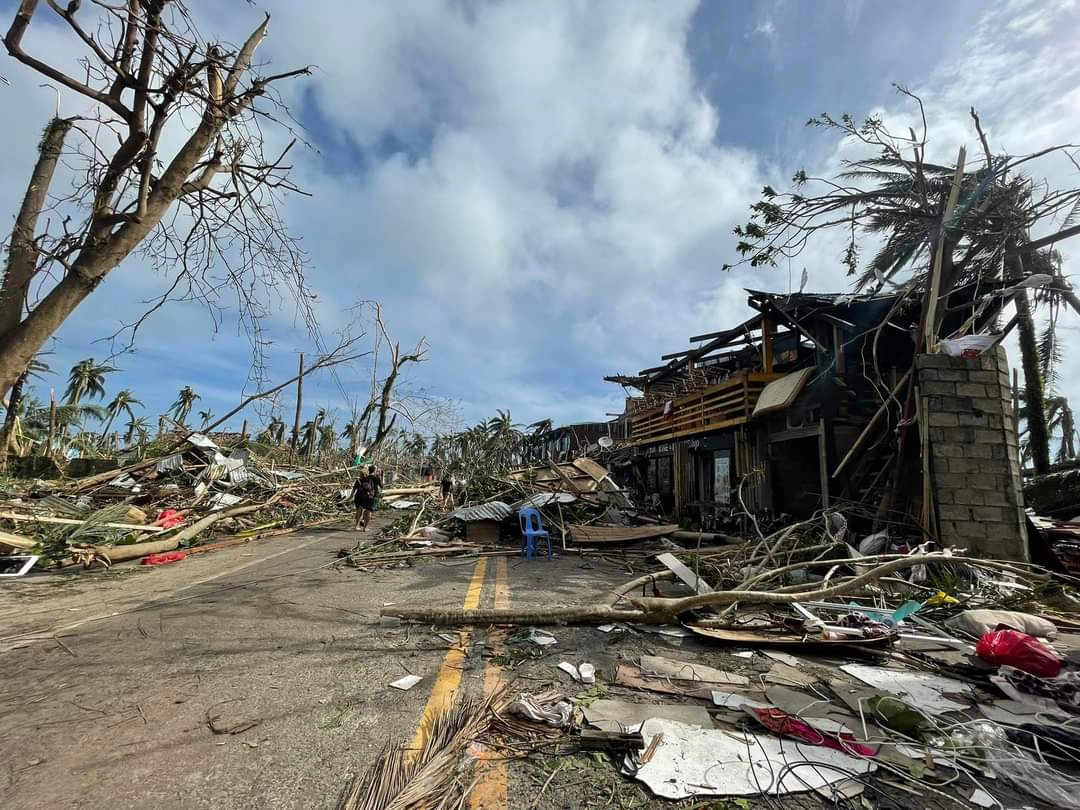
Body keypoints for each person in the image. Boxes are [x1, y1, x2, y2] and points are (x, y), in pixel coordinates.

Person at [351, 464, 382, 531]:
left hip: (364, 496)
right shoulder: (376, 478)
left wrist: (351, 495)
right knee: (369, 511)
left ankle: (357, 525)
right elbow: (381, 486)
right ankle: (365, 527)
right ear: (375, 470)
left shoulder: (364, 478)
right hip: (372, 496)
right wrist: (381, 476)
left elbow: (355, 488)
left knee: (360, 509)